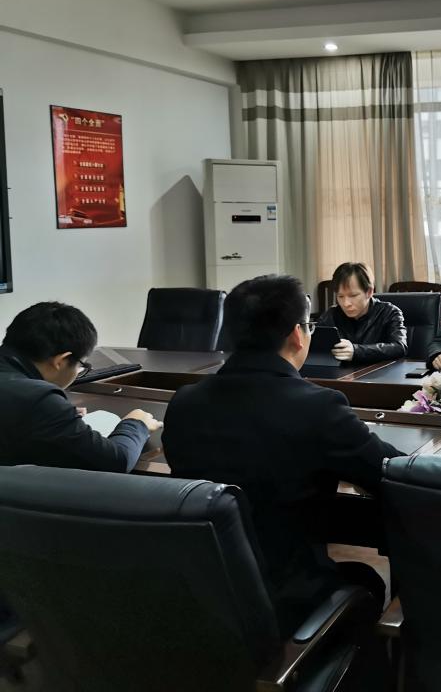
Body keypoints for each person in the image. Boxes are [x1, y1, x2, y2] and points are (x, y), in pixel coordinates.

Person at [161, 275, 404, 632]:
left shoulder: (184, 403)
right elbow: (390, 470)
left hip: (203, 595)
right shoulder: (318, 407)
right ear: (297, 335)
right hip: (287, 600)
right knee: (366, 579)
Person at [0, 301, 161, 471]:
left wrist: (58, 416)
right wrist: (135, 424)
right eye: (81, 365)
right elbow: (116, 462)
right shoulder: (38, 399)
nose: (79, 371)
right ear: (61, 361)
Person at [318, 262, 407, 362]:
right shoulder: (331, 315)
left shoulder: (389, 312)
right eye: (340, 296)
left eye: (353, 296)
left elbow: (400, 347)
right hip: (341, 371)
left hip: (378, 371)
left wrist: (356, 351)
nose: (346, 303)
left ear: (369, 292)